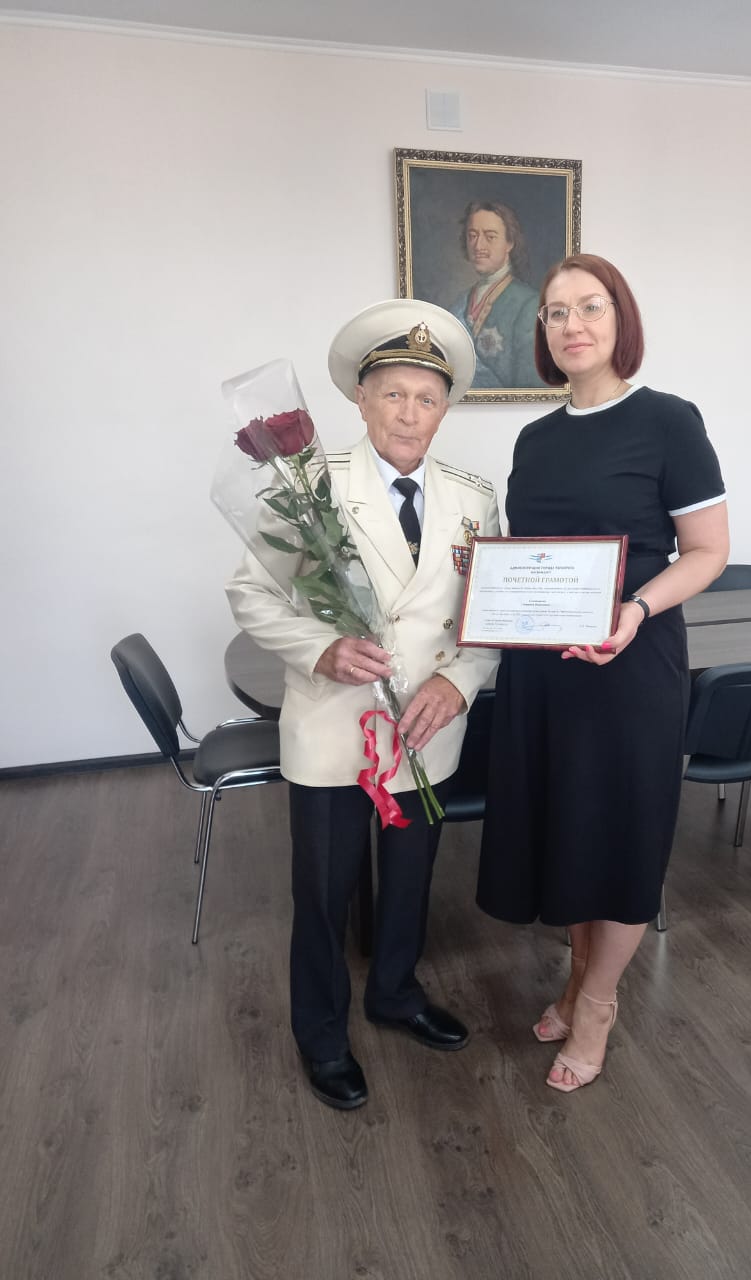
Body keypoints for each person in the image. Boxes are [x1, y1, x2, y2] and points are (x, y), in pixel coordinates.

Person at [227, 300, 500, 1111]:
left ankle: (395, 993)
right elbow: (250, 593)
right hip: (333, 731)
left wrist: (460, 681)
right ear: (362, 399)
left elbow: (487, 615)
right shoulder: (308, 485)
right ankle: (320, 1032)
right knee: (323, 893)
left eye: (427, 398)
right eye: (394, 395)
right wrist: (320, 647)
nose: (410, 413)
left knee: (410, 880)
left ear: (444, 409)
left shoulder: (474, 498)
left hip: (427, 731)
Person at [476, 254, 729, 1093]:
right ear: (542, 332)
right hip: (544, 673)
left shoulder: (668, 421)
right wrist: (488, 576)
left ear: (621, 319)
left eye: (590, 307)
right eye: (555, 312)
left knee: (618, 834)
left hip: (629, 664)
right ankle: (575, 977)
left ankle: (598, 1004)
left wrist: (636, 610)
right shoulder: (535, 438)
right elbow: (539, 555)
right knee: (569, 829)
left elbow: (708, 552)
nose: (572, 324)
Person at [450, 200, 541, 390]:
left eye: (490, 236)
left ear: (510, 243)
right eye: (472, 236)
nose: (478, 245)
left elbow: (532, 387)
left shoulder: (529, 303)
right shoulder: (461, 301)